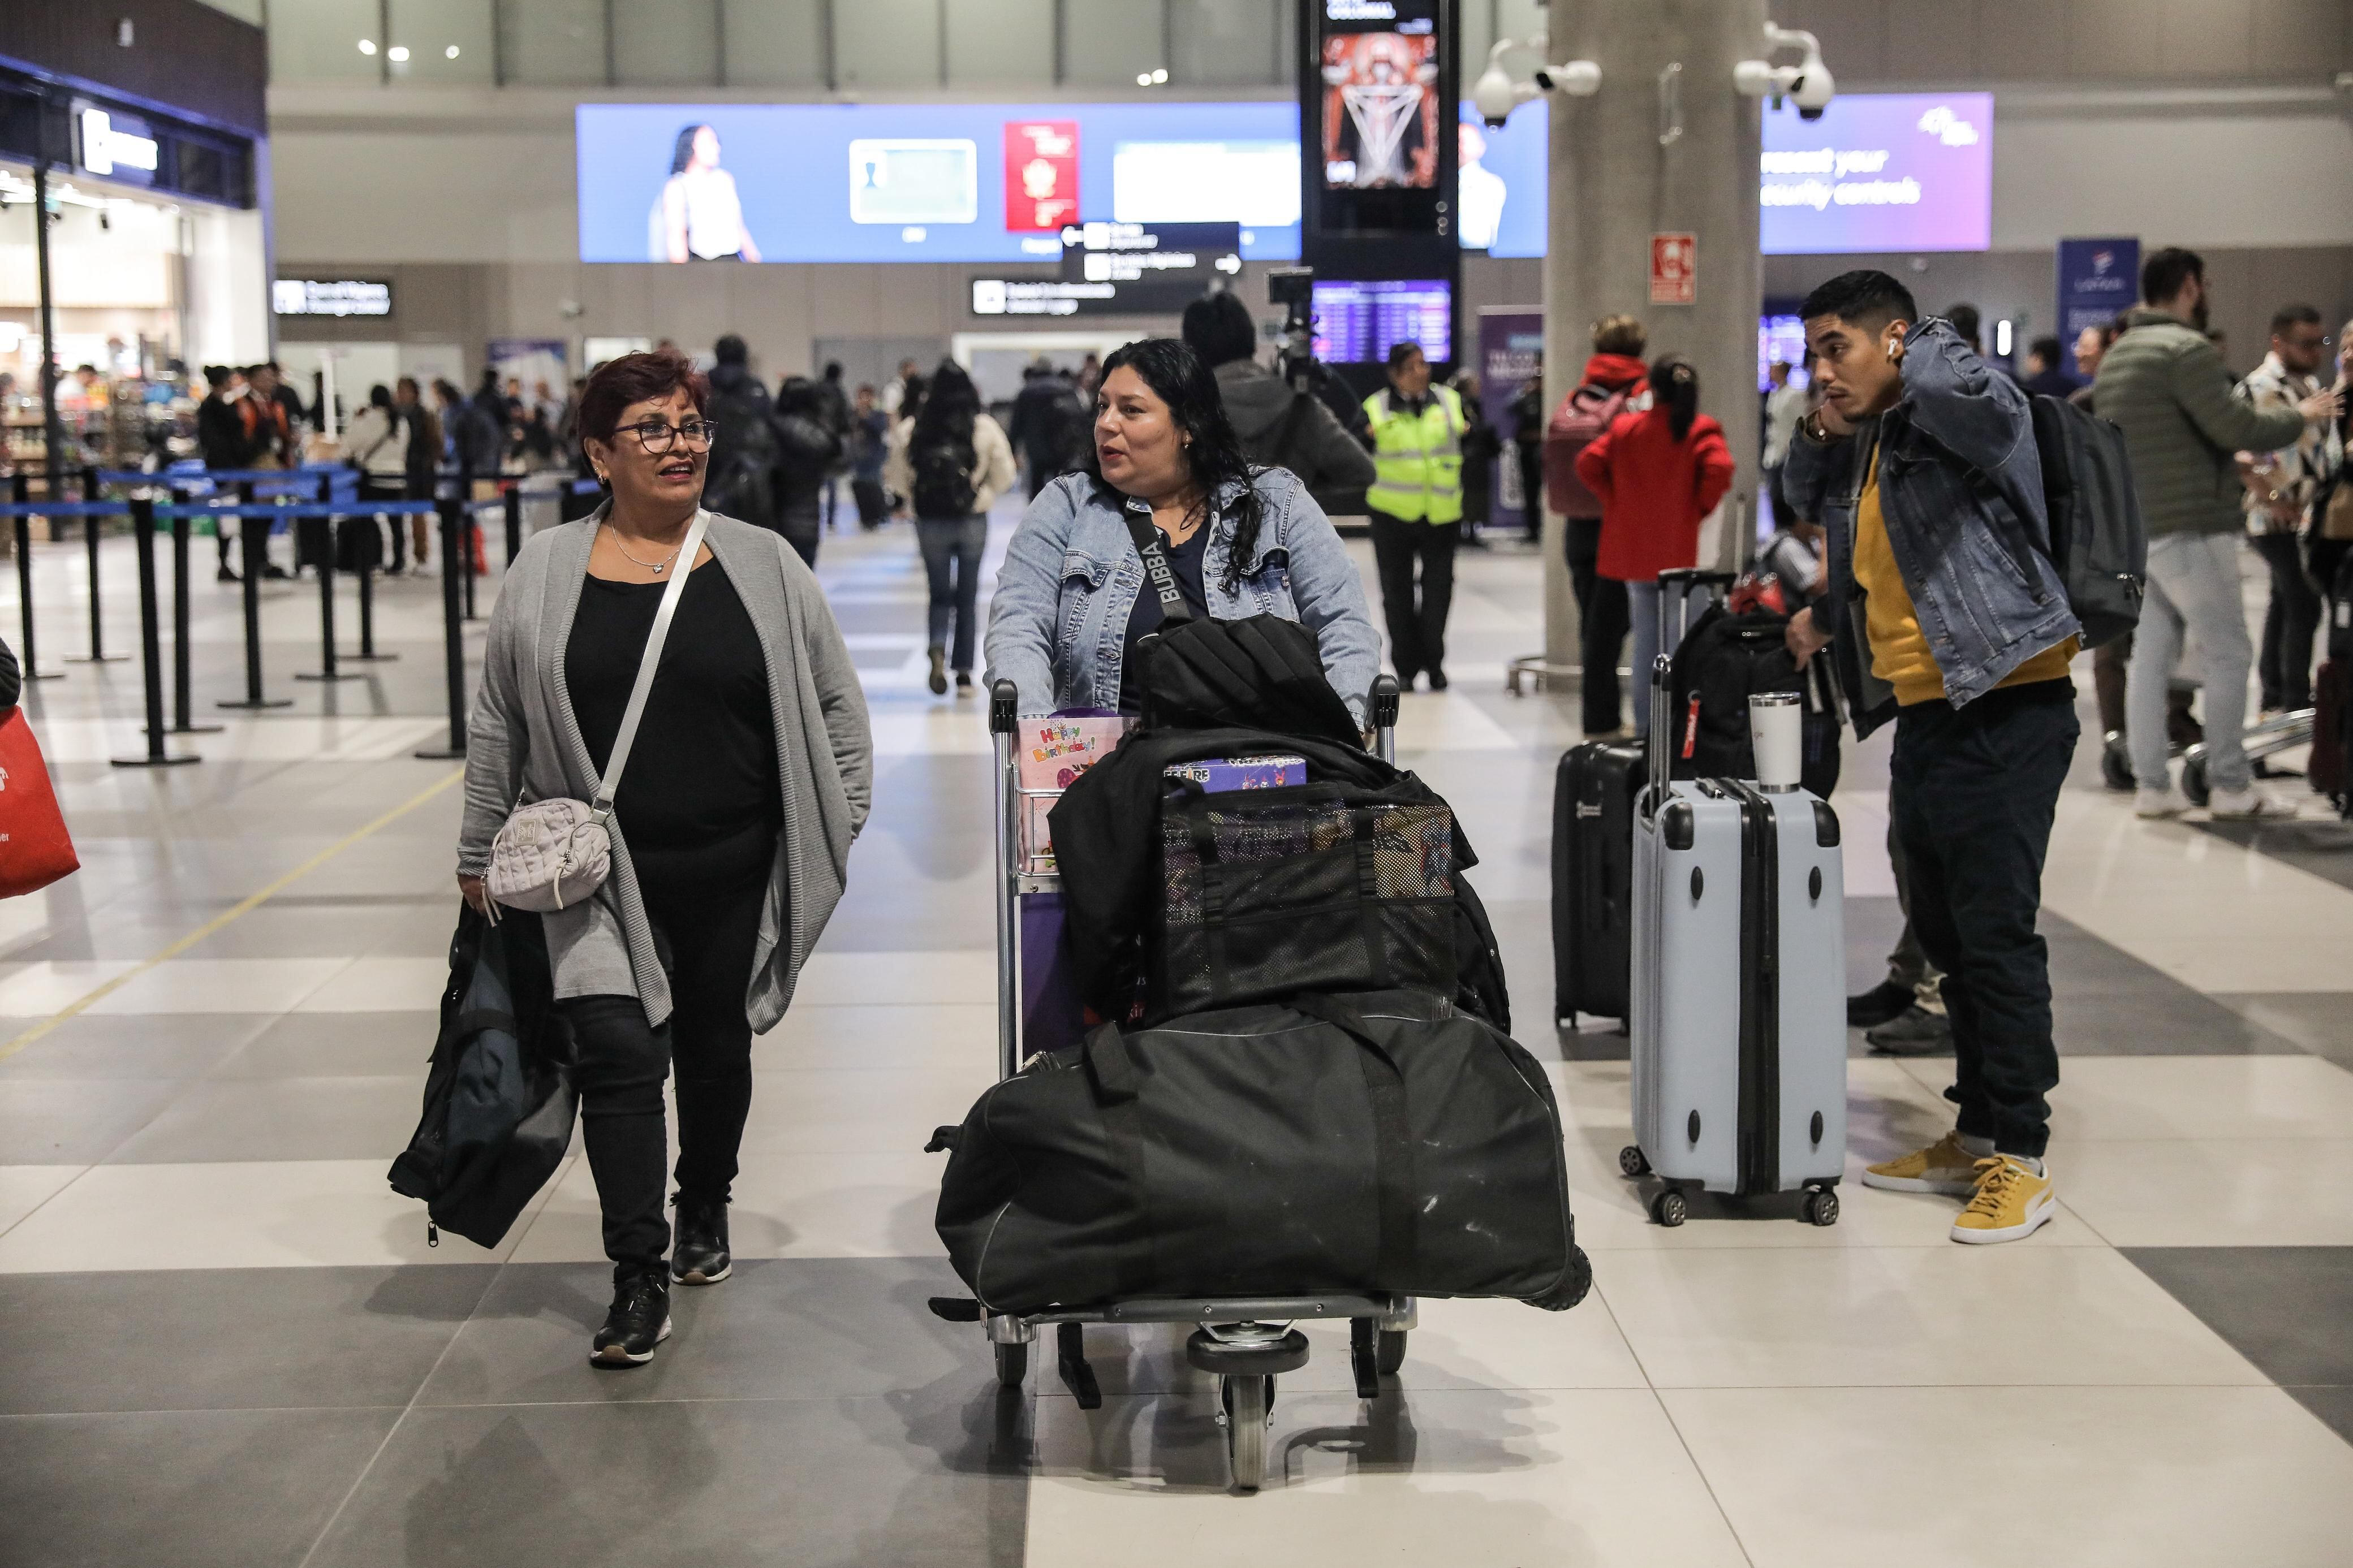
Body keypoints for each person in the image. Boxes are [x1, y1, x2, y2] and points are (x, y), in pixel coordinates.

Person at [455, 349, 871, 1367]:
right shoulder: (546, 571)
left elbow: (835, 709)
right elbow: (502, 719)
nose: (679, 443)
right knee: (621, 1062)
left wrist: (834, 819)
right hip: (597, 876)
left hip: (735, 862)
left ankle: (706, 1205)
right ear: (599, 452)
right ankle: (636, 1272)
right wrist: (477, 848)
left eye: (690, 425)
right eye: (652, 427)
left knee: (714, 1052)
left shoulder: (763, 562)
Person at [1783, 270, 2083, 1243]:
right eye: (1814, 352)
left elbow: (1972, 399)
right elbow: (1800, 491)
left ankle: (2024, 1159)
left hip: (2010, 701)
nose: (1823, 369)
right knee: (1945, 937)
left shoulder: (1961, 406)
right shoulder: (1879, 443)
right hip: (1932, 712)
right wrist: (1824, 413)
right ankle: (1976, 1128)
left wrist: (1924, 347)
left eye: (1839, 347)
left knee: (1995, 933)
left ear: (1899, 340)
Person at [985, 336, 1380, 722]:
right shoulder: (1068, 506)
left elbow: (1344, 623)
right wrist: (1039, 736)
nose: (1106, 423)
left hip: (1259, 771)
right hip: (1110, 774)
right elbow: (1019, 624)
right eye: (1103, 406)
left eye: (1131, 410)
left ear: (1189, 426)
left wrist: (1343, 731)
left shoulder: (1277, 501)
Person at [2096, 248, 2338, 818]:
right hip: (2191, 524)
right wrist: (2302, 416)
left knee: (2150, 658)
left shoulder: (2119, 355)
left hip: (2141, 528)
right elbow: (2234, 425)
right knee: (2229, 652)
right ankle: (2230, 784)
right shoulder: (2184, 350)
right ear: (2187, 286)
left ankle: (2151, 785)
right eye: (2203, 284)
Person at [1573, 356, 1734, 740]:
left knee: (1646, 640)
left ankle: (1648, 725)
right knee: (1684, 643)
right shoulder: (1699, 429)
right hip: (1681, 553)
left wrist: (1614, 499)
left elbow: (1587, 464)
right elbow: (1721, 470)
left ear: (1653, 389)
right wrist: (1698, 507)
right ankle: (1680, 726)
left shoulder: (1628, 428)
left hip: (1634, 554)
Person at [2235, 304, 2342, 716]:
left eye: (2322, 342)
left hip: (2303, 515)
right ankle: (2292, 699)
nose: (2317, 350)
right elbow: (2242, 453)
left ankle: (2276, 700)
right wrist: (2272, 498)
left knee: (2286, 602)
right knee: (2303, 601)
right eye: (2307, 343)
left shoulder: (2310, 383)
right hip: (2273, 515)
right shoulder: (2261, 387)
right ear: (2278, 342)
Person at [1178, 292, 1376, 515]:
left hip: (1209, 544)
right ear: (1250, 339)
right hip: (1288, 544)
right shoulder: (1301, 406)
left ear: (1191, 350)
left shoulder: (1184, 411)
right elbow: (1362, 471)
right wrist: (1298, 488)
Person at [1547, 316, 1652, 733]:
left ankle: (1600, 717)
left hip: (1578, 525)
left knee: (1594, 626)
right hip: (1619, 524)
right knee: (1610, 630)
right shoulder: (1643, 394)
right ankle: (1602, 721)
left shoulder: (1580, 392)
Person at [885, 361, 1015, 695]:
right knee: (968, 595)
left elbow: (897, 480)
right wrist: (980, 494)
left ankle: (936, 647)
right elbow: (1006, 475)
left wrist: (917, 499)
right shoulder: (982, 427)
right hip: (971, 518)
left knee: (939, 593)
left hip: (930, 521)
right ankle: (963, 674)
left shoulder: (914, 428)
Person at [1363, 340, 1468, 690]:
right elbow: (1353, 453)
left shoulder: (1450, 402)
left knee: (1439, 592)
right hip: (1392, 515)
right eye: (1412, 367)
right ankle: (1405, 668)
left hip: (1441, 515)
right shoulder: (1375, 409)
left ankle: (1435, 663)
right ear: (1394, 374)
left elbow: (1476, 438)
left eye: (1424, 364)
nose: (1421, 372)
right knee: (1397, 594)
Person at [703, 334, 782, 533]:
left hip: (708, 468)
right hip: (749, 473)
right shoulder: (755, 388)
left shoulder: (702, 387)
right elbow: (771, 428)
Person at [657, 124, 760, 263]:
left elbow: (739, 227)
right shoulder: (677, 185)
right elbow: (676, 235)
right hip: (701, 266)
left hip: (733, 263)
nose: (717, 147)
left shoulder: (725, 179)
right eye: (710, 141)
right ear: (692, 145)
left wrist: (755, 261)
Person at [771, 377, 844, 567]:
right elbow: (841, 461)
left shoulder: (771, 428)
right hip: (809, 522)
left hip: (773, 519)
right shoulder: (822, 434)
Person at [197, 365, 255, 582]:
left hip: (226, 467)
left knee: (230, 515)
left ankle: (228, 561)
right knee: (228, 515)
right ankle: (224, 562)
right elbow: (219, 440)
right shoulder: (215, 407)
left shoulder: (219, 405)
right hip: (226, 468)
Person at [1007, 358, 1080, 500]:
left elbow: (1016, 423)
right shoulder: (1067, 389)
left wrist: (1012, 448)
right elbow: (1079, 418)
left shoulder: (1027, 392)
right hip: (1063, 447)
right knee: (1062, 483)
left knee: (1036, 484)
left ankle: (1038, 515)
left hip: (1036, 447)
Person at [394, 376, 441, 575]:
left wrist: (427, 463)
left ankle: (420, 555)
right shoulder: (394, 415)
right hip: (399, 470)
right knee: (397, 517)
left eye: (405, 391)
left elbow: (435, 444)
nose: (401, 395)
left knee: (418, 516)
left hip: (419, 471)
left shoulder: (423, 415)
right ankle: (400, 557)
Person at [1761, 358, 1808, 531]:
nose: (1770, 373)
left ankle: (1791, 534)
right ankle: (1779, 532)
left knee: (1785, 499)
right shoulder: (1774, 394)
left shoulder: (1794, 395)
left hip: (1786, 453)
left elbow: (1798, 424)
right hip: (1773, 453)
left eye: (1773, 370)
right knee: (1774, 496)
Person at [1507, 355, 1546, 542]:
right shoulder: (1526, 396)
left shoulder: (1549, 396)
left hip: (1543, 448)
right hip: (1526, 448)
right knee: (1529, 491)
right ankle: (1532, 531)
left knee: (1545, 492)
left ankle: (1546, 531)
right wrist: (1525, 391)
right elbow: (1509, 407)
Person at [848, 384, 889, 528]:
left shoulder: (878, 415)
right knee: (860, 489)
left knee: (874, 488)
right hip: (858, 457)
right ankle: (865, 517)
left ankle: (878, 516)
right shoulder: (853, 414)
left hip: (873, 457)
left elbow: (880, 429)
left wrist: (865, 417)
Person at [2021, 335, 2079, 400]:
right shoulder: (2073, 387)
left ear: (2038, 358)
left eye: (2031, 356)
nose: (2027, 360)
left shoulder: (2029, 388)